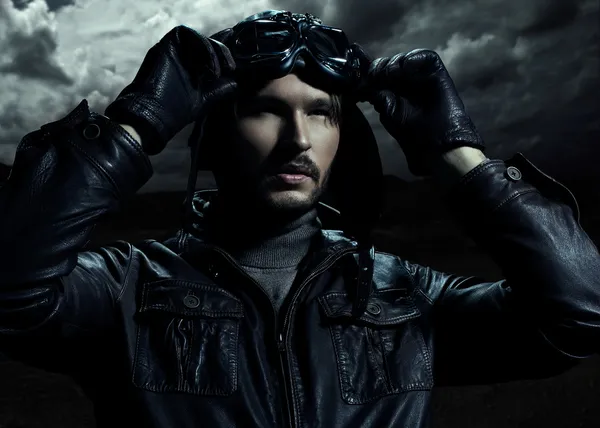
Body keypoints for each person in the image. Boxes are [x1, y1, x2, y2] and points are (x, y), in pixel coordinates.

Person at [0, 9, 598, 428]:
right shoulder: (127, 288)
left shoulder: (404, 295)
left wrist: (456, 153)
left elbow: (578, 313)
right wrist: (138, 122)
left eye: (322, 114)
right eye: (265, 110)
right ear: (212, 138)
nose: (298, 141)